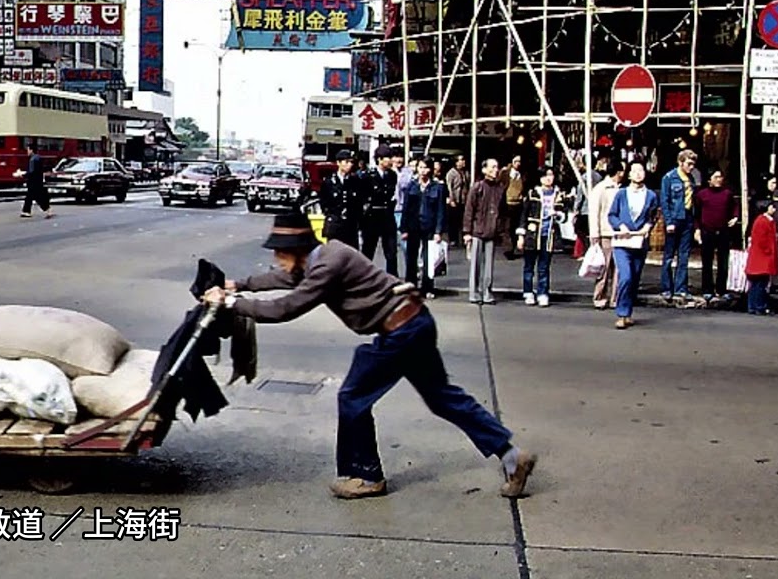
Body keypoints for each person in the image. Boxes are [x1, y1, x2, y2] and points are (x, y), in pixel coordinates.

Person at [202, 213, 537, 500]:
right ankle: (511, 455)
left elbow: (285, 308)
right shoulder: (322, 255)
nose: (277, 259)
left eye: (279, 252)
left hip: (400, 332)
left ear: (295, 249)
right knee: (442, 397)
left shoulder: (327, 265)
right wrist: (237, 284)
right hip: (413, 321)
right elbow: (284, 278)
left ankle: (367, 475)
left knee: (353, 397)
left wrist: (229, 303)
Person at [608, 160, 660, 330]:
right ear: (628, 174)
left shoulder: (651, 195)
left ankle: (628, 312)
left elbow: (653, 216)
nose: (638, 173)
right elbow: (612, 215)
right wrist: (620, 226)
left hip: (639, 242)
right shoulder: (621, 194)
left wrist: (647, 227)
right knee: (626, 276)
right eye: (634, 170)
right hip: (622, 242)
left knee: (635, 278)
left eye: (641, 170)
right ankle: (621, 314)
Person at [516, 166, 566, 307]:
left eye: (551, 175)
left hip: (548, 234)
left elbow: (564, 214)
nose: (548, 178)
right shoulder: (533, 193)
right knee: (529, 266)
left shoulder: (558, 194)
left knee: (544, 267)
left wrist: (557, 214)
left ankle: (543, 293)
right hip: (532, 234)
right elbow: (524, 215)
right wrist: (521, 235)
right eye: (545, 175)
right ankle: (528, 291)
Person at [401, 158, 447, 299]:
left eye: (425, 168)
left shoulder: (437, 187)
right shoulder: (412, 186)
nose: (423, 171)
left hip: (430, 226)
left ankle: (428, 288)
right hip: (413, 225)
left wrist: (439, 231)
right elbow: (406, 208)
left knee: (429, 259)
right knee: (411, 258)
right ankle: (411, 287)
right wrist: (404, 229)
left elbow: (441, 210)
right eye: (420, 167)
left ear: (431, 169)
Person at [694, 168, 741, 301]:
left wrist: (735, 217)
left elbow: (735, 207)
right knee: (707, 262)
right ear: (709, 180)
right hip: (707, 230)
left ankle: (721, 289)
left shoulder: (727, 194)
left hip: (723, 231)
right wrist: (697, 229)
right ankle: (707, 289)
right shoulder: (702, 194)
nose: (718, 180)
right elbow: (696, 213)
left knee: (723, 262)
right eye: (715, 177)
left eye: (720, 177)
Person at [659, 149, 698, 303]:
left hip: (687, 218)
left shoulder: (691, 179)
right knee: (669, 256)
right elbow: (665, 201)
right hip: (674, 218)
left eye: (693, 164)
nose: (691, 167)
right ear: (680, 162)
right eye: (688, 163)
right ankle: (666, 288)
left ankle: (681, 287)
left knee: (684, 255)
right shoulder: (669, 178)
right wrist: (669, 222)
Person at [462, 158, 504, 305]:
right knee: (476, 264)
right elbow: (469, 210)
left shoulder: (500, 188)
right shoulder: (477, 187)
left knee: (489, 266)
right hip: (477, 231)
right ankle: (474, 292)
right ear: (484, 170)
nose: (495, 170)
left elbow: (502, 211)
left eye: (497, 167)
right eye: (492, 167)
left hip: (492, 231)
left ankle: (487, 291)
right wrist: (467, 232)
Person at [587, 160, 625, 310]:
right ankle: (599, 296)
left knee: (619, 269)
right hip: (605, 232)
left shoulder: (621, 189)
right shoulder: (601, 189)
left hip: (619, 233)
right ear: (619, 172)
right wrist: (594, 233)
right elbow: (594, 212)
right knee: (604, 267)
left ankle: (615, 298)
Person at [359, 145, 399, 276]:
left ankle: (392, 279)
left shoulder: (392, 175)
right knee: (368, 250)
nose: (391, 161)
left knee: (391, 252)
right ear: (380, 159)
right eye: (388, 158)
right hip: (372, 217)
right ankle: (363, 278)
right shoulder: (367, 176)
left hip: (387, 216)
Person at [319, 149, 362, 247]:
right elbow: (324, 202)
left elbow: (359, 202)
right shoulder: (329, 182)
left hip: (351, 225)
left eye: (351, 162)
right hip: (335, 224)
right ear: (338, 163)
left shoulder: (355, 181)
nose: (349, 165)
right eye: (346, 162)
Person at [745, 200, 778, 315]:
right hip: (762, 257)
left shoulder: (761, 220)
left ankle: (753, 306)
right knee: (760, 283)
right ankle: (759, 306)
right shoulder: (763, 221)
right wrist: (768, 250)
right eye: (772, 207)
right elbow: (762, 240)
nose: (774, 209)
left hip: (759, 257)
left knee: (755, 284)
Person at [15, 143, 54, 219]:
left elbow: (31, 172)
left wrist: (21, 174)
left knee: (36, 197)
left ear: (31, 150)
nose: (27, 152)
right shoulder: (38, 157)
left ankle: (47, 210)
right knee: (30, 197)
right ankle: (26, 211)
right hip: (38, 180)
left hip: (33, 182)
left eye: (28, 150)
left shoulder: (33, 159)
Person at [500, 156, 525, 258]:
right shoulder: (506, 173)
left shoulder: (521, 175)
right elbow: (500, 181)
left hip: (518, 204)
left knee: (515, 226)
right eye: (516, 161)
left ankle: (514, 247)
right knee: (507, 227)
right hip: (507, 203)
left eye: (519, 161)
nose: (518, 163)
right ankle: (508, 249)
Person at [444, 155, 469, 247]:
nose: (463, 162)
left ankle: (463, 238)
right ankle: (453, 239)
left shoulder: (465, 173)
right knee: (453, 221)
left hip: (463, 199)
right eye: (460, 160)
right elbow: (449, 187)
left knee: (463, 220)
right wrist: (451, 199)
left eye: (463, 159)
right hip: (454, 199)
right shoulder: (451, 173)